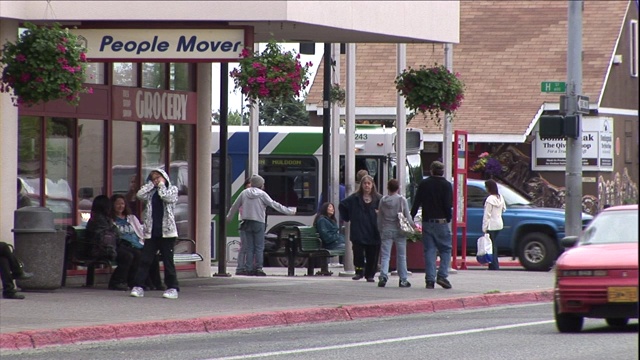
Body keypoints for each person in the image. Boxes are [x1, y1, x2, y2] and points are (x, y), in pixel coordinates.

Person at [226, 174, 296, 276]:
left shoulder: (244, 193)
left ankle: (248, 268)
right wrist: (289, 211)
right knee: (259, 247)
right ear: (260, 184)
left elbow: (235, 206)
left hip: (246, 222)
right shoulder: (262, 194)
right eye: (262, 183)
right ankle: (258, 268)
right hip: (259, 222)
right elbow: (274, 204)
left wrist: (228, 218)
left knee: (249, 247)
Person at [130, 169, 180, 299]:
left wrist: (162, 185)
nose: (156, 180)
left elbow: (167, 197)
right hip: (151, 232)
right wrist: (151, 185)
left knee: (168, 261)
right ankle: (138, 286)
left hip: (167, 233)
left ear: (164, 177)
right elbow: (140, 195)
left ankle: (172, 287)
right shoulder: (151, 193)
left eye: (158, 177)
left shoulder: (172, 189)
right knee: (145, 260)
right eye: (153, 178)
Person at [411, 161, 453, 290]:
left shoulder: (424, 184)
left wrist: (411, 217)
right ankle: (442, 275)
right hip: (441, 221)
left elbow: (417, 201)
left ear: (431, 170)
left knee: (429, 250)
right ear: (442, 171)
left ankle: (430, 280)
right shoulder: (446, 185)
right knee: (445, 249)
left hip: (427, 221)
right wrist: (448, 218)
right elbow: (448, 204)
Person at [110, 194, 164, 290]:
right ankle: (139, 282)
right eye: (117, 204)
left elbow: (140, 231)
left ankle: (156, 283)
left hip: (137, 243)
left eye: (122, 204)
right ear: (112, 205)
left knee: (152, 256)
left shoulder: (131, 218)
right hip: (123, 245)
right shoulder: (110, 220)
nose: (120, 206)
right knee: (138, 255)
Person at [339, 174, 382, 282]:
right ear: (361, 185)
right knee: (358, 254)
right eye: (364, 183)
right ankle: (359, 272)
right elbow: (342, 205)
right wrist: (347, 217)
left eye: (369, 183)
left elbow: (386, 211)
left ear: (372, 185)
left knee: (372, 254)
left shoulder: (379, 199)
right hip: (358, 230)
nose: (367, 186)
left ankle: (370, 274)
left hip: (373, 231)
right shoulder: (354, 198)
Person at [86, 195, 133, 291]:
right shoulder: (98, 219)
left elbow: (115, 232)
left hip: (109, 246)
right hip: (101, 249)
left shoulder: (106, 218)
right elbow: (107, 234)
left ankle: (129, 280)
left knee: (134, 253)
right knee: (127, 256)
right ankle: (116, 281)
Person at [377, 179, 415, 288]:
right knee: (401, 255)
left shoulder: (383, 201)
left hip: (386, 229)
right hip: (400, 230)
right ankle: (403, 279)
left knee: (385, 256)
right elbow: (407, 216)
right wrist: (413, 226)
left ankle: (383, 276)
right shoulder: (402, 200)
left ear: (388, 188)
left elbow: (379, 218)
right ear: (398, 188)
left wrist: (380, 229)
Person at [482, 179, 506, 270]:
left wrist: (484, 227)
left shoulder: (489, 199)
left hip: (491, 225)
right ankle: (493, 264)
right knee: (493, 244)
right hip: (499, 223)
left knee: (491, 245)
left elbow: (487, 214)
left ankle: (494, 264)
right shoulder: (500, 197)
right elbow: (504, 209)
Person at [234, 178, 252, 276]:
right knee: (244, 246)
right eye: (248, 185)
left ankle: (247, 267)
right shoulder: (244, 195)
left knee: (249, 246)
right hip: (244, 222)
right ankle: (240, 267)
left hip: (249, 222)